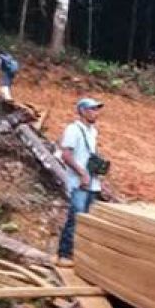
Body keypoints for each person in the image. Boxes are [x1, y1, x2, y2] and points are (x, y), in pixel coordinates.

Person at [56, 97, 105, 265]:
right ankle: (64, 254)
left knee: (86, 220)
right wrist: (81, 172)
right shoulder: (73, 129)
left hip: (91, 181)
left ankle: (77, 254)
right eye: (92, 109)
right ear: (82, 111)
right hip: (79, 182)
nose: (96, 113)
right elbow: (66, 155)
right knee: (75, 217)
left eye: (97, 109)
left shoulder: (93, 131)